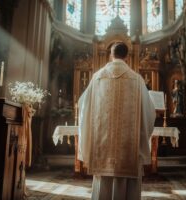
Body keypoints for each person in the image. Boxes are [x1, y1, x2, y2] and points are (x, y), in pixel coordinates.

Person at [78, 42, 156, 200]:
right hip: (129, 149)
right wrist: (141, 136)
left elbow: (84, 108)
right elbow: (149, 113)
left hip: (102, 147)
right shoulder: (136, 79)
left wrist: (88, 138)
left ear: (110, 55)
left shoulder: (97, 77)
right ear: (127, 56)